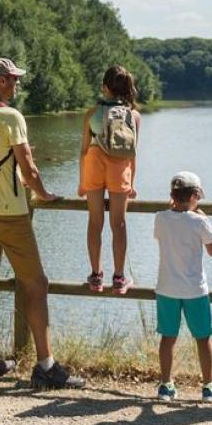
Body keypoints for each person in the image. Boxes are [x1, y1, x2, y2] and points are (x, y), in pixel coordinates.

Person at [0, 57, 85, 390]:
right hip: (9, 214)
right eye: (14, 79)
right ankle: (46, 366)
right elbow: (29, 169)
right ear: (1, 81)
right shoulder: (10, 116)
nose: (17, 84)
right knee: (36, 284)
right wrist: (44, 194)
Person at [153, 171, 212, 404]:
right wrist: (204, 219)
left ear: (172, 195)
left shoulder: (160, 218)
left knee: (168, 337)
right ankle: (209, 387)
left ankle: (166, 385)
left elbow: (163, 233)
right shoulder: (200, 221)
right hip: (195, 289)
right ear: (195, 196)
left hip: (166, 288)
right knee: (203, 338)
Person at [78, 65, 141, 295]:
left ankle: (96, 276)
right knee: (119, 224)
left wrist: (81, 182)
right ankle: (119, 277)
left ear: (104, 87)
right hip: (119, 168)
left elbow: (84, 150)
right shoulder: (134, 116)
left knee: (95, 222)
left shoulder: (92, 113)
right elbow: (132, 152)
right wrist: (131, 183)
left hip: (93, 165)